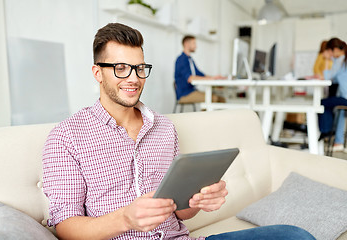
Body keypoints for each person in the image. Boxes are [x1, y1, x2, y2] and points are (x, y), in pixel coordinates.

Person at [42, 23, 316, 240]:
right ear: (97, 73)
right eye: (121, 68)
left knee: (295, 235)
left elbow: (181, 211)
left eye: (139, 68)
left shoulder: (163, 128)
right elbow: (66, 227)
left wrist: (199, 200)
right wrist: (125, 218)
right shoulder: (67, 136)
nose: (134, 78)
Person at [174, 35, 225, 104]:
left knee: (220, 98)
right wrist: (211, 79)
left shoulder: (190, 59)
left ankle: (206, 113)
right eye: (194, 43)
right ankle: (206, 114)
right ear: (186, 43)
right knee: (214, 98)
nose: (196, 46)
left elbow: (199, 74)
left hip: (192, 91)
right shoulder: (181, 60)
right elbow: (190, 78)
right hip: (185, 94)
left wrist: (214, 77)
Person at [318, 37, 347, 152]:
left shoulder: (341, 59)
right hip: (344, 97)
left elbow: (327, 77)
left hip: (345, 98)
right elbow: (334, 80)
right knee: (331, 104)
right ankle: (337, 140)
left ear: (334, 49)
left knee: (321, 103)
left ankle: (326, 132)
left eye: (329, 51)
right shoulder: (343, 59)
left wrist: (326, 60)